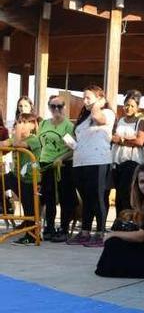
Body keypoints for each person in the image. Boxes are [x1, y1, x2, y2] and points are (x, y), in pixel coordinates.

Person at [67, 85, 115, 248]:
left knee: (98, 197)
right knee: (86, 198)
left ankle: (100, 233)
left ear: (100, 99)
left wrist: (97, 105)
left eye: (88, 97)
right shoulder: (84, 117)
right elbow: (79, 138)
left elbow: (99, 119)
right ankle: (85, 231)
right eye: (84, 97)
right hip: (80, 161)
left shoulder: (106, 113)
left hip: (98, 160)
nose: (85, 101)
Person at [36, 96, 75, 241]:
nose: (56, 109)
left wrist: (61, 158)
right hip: (46, 164)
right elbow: (40, 144)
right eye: (53, 106)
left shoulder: (68, 126)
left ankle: (64, 229)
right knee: (48, 198)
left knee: (65, 198)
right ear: (49, 107)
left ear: (64, 107)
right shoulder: (44, 124)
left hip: (62, 165)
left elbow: (73, 148)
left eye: (59, 106)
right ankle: (49, 227)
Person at [111, 90, 144, 214]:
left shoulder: (141, 122)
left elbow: (139, 141)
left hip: (132, 162)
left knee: (127, 194)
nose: (129, 108)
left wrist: (121, 140)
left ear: (137, 107)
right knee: (118, 194)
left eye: (132, 105)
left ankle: (130, 221)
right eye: (127, 104)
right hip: (117, 161)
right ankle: (119, 221)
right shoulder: (119, 120)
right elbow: (112, 137)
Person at [7, 113, 41, 245]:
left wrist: (17, 130)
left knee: (29, 209)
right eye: (19, 121)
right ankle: (4, 206)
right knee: (5, 178)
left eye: (24, 122)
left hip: (31, 179)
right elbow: (5, 143)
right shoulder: (17, 137)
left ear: (32, 125)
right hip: (18, 177)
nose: (21, 124)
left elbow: (16, 144)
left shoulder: (34, 139)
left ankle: (32, 235)